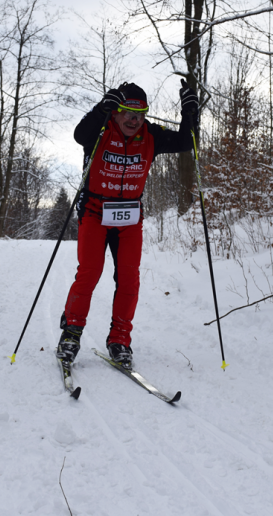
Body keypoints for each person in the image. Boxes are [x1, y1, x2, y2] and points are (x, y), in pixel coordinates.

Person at [57, 80, 199, 370]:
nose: (134, 120)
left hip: (129, 217)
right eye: (128, 113)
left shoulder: (151, 135)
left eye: (140, 114)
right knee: (89, 273)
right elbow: (79, 134)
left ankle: (120, 339)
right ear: (116, 112)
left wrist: (190, 113)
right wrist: (100, 109)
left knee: (129, 279)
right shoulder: (100, 129)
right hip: (95, 212)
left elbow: (186, 142)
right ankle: (71, 333)